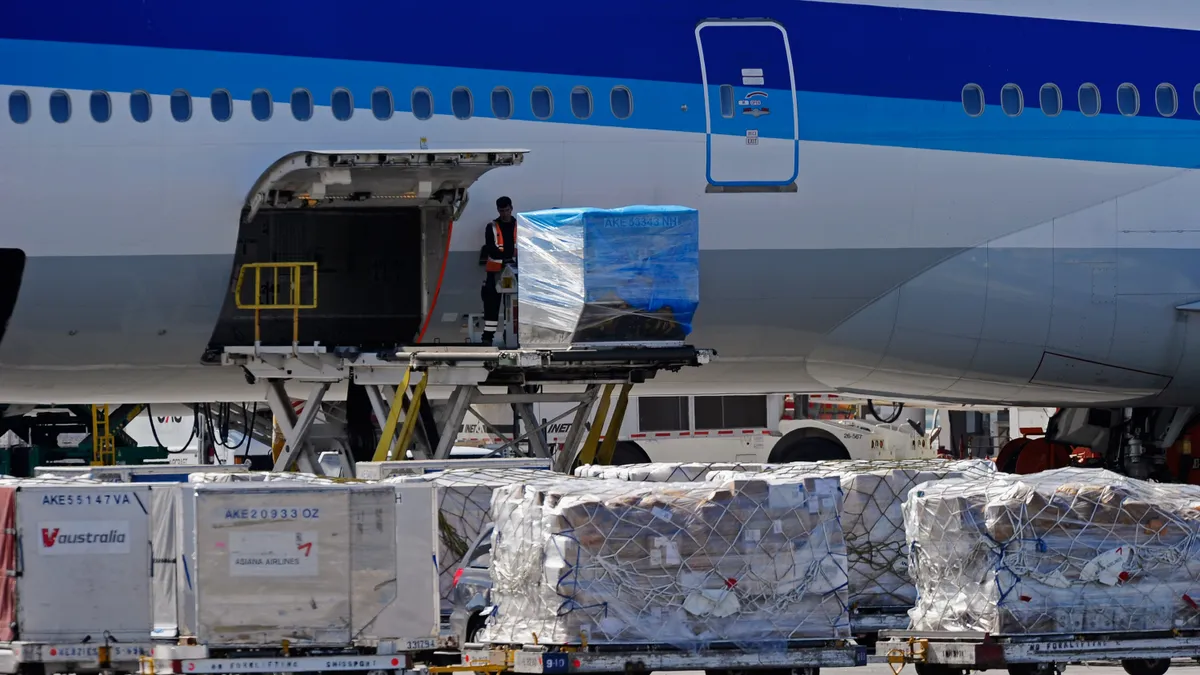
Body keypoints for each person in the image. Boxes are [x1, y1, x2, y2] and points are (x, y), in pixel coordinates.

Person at [479, 196, 517, 344]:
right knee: (491, 306)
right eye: (501, 211)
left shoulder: (518, 226)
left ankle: (512, 335)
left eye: (506, 210)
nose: (504, 214)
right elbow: (491, 249)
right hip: (496, 272)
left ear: (511, 208)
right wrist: (506, 258)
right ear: (498, 210)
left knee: (512, 305)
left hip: (514, 271)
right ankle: (487, 337)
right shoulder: (492, 227)